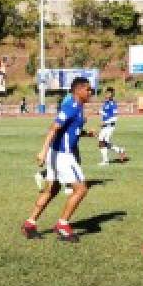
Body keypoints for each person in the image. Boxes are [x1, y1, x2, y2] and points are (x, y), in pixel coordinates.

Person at [22, 77, 95, 242]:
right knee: (81, 189)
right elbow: (53, 129)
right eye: (88, 89)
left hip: (57, 154)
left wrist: (85, 133)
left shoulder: (79, 108)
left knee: (51, 191)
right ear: (78, 90)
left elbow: (68, 132)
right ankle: (62, 225)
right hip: (63, 156)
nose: (91, 92)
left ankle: (29, 224)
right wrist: (42, 151)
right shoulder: (71, 107)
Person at [97, 87, 128, 165]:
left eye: (108, 93)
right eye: (106, 93)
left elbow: (114, 117)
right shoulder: (106, 103)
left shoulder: (113, 104)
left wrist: (105, 122)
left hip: (109, 126)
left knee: (102, 142)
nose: (106, 95)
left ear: (112, 95)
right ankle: (119, 150)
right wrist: (99, 112)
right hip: (105, 126)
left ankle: (106, 161)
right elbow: (106, 113)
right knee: (103, 142)